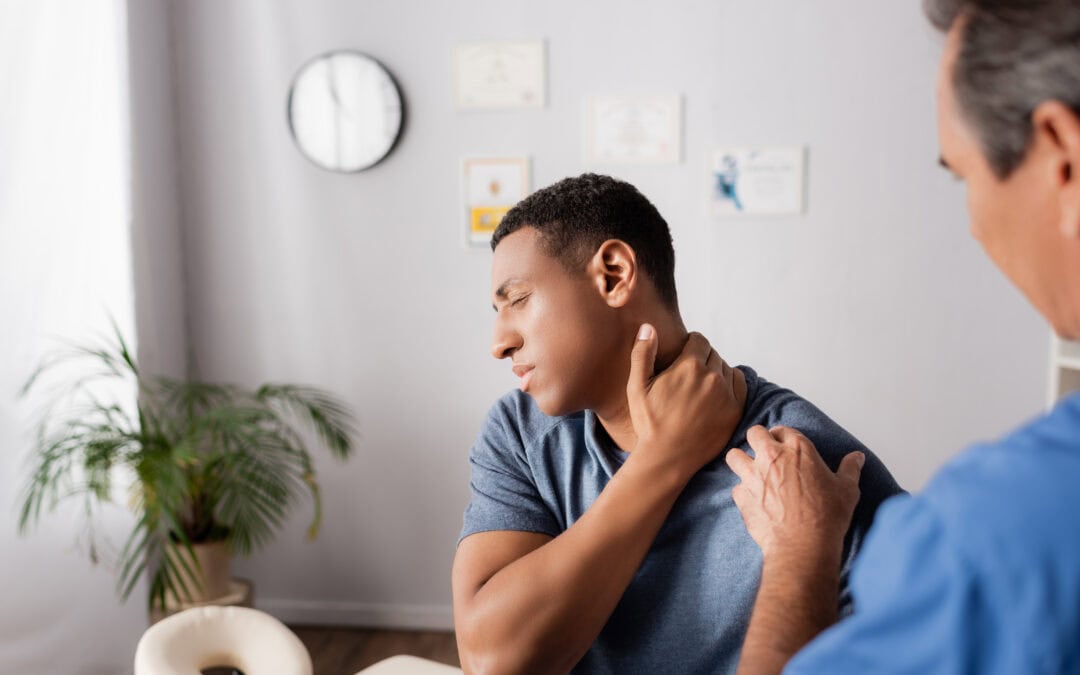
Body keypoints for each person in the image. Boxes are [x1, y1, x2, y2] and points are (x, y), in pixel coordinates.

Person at [727, 1, 1080, 673]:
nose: (975, 226)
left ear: (1061, 156)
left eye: (964, 175)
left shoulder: (994, 540)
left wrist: (800, 552)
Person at [451, 173, 903, 673]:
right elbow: (490, 662)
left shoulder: (806, 466)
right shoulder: (519, 433)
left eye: (516, 299)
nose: (499, 342)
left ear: (614, 275)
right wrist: (662, 460)